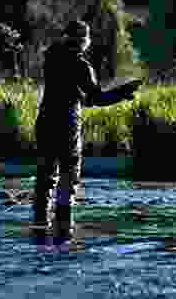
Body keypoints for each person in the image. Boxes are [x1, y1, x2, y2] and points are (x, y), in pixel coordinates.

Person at [33, 20, 142, 240]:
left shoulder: (51, 58)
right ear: (84, 40)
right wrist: (123, 92)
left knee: (45, 175)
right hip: (67, 124)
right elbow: (97, 98)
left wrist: (118, 93)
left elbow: (80, 95)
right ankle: (63, 228)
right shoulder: (81, 65)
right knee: (68, 175)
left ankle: (39, 225)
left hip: (45, 121)